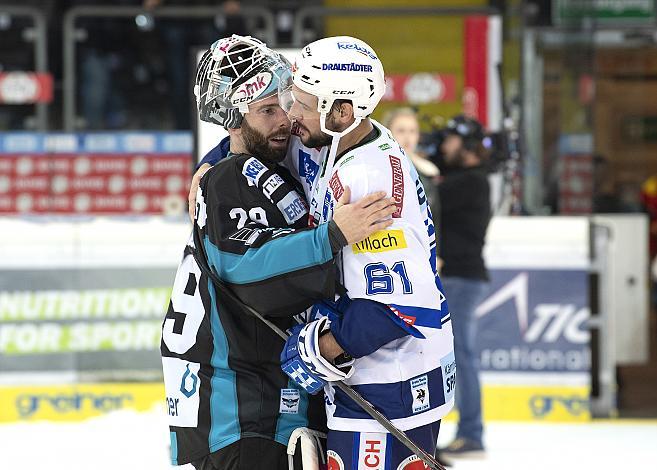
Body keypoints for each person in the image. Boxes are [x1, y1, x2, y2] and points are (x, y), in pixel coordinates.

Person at [161, 35, 397, 470]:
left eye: (285, 104)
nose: (285, 120)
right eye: (267, 111)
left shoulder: (265, 164)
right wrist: (333, 235)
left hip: (256, 407)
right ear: (233, 119)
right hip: (240, 417)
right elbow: (248, 272)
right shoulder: (231, 178)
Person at [276, 36, 455, 469]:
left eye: (303, 103)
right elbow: (270, 142)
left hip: (391, 381)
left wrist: (322, 347)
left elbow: (396, 307)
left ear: (342, 110)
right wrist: (213, 161)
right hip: (381, 374)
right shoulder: (342, 141)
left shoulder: (368, 182)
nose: (291, 114)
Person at [436, 114, 491, 459]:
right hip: (461, 277)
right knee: (460, 355)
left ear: (468, 147)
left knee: (461, 356)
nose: (444, 147)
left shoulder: (471, 182)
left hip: (460, 277)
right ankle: (470, 430)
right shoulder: (465, 180)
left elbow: (432, 194)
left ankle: (472, 432)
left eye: (451, 141)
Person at [382, 107, 441, 225]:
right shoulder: (377, 168)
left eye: (412, 131)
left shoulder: (429, 172)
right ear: (387, 132)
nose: (407, 137)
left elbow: (433, 222)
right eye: (401, 131)